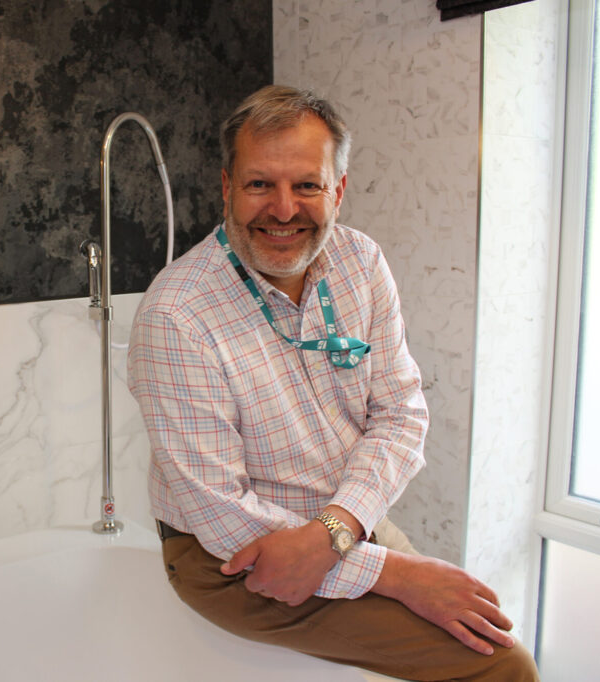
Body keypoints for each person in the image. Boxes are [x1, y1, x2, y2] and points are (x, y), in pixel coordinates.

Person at [126, 85, 539, 681]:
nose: (284, 209)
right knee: (503, 668)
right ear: (226, 188)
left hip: (342, 519)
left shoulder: (360, 263)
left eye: (307, 185)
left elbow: (400, 414)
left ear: (338, 190)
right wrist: (398, 572)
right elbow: (221, 518)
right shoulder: (177, 316)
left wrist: (339, 528)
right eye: (259, 184)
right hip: (231, 557)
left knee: (483, 629)